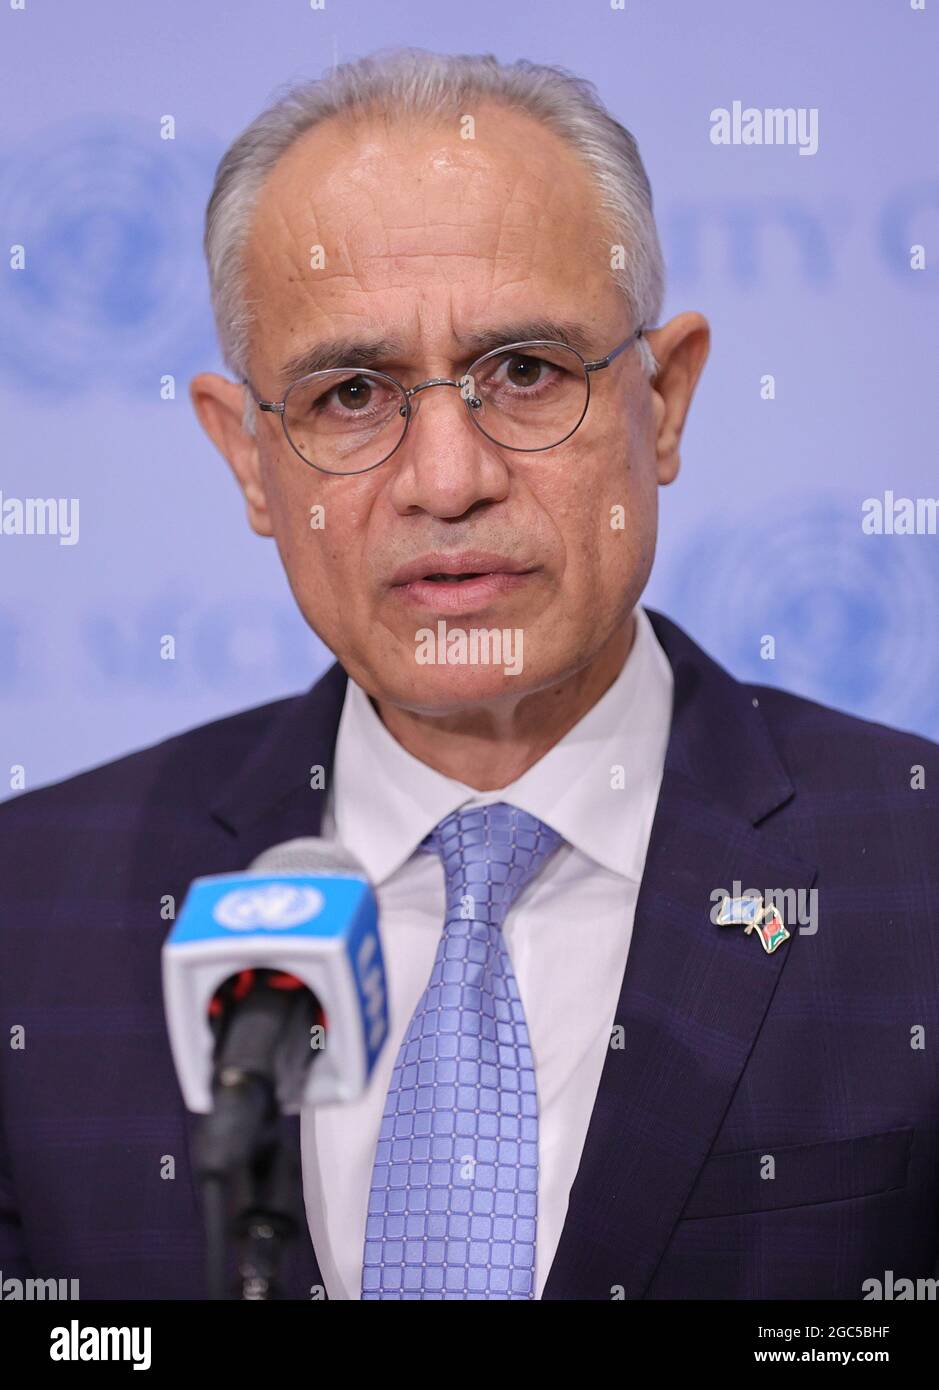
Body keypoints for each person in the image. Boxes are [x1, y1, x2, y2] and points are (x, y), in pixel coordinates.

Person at [1, 49, 936, 1301]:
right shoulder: (29, 908)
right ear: (245, 459)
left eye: (527, 372)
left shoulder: (911, 864)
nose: (448, 479)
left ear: (665, 402)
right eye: (349, 393)